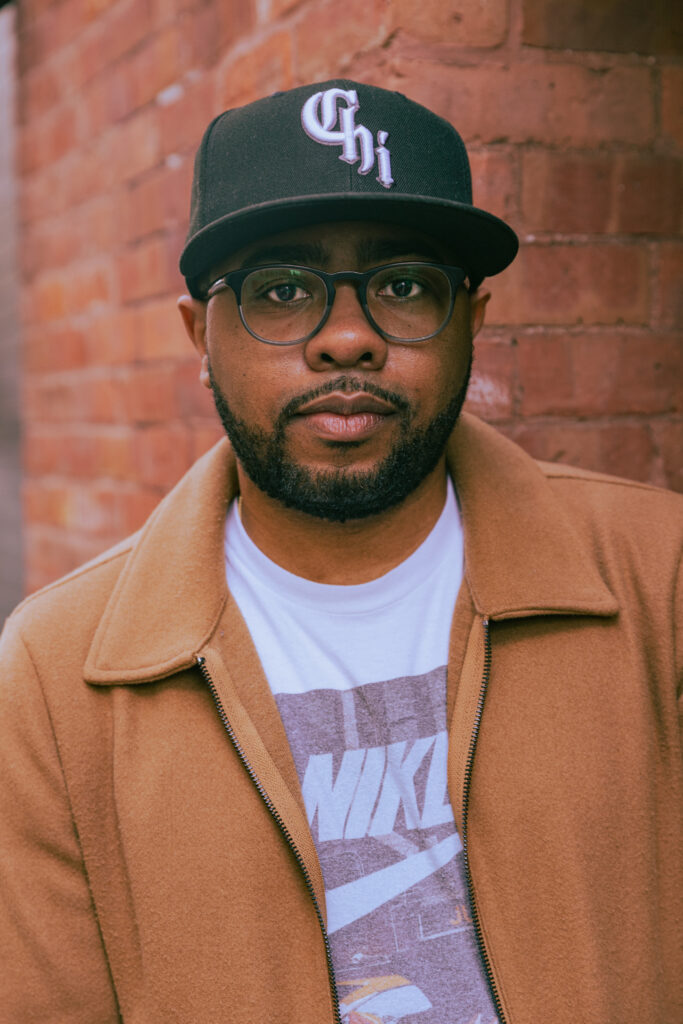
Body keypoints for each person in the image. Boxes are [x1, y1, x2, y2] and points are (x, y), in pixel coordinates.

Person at [0, 79, 681, 1024]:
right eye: (282, 291)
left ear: (472, 321)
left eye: (403, 285)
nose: (349, 339)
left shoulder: (658, 578)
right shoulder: (55, 671)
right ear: (201, 334)